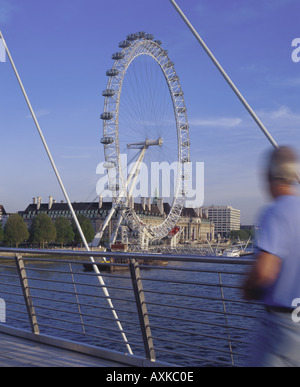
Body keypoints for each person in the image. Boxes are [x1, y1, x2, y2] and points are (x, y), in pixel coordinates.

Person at [243, 145, 300, 367]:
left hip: (282, 326)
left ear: (269, 176)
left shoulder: (276, 211)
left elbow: (263, 272)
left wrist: (247, 288)